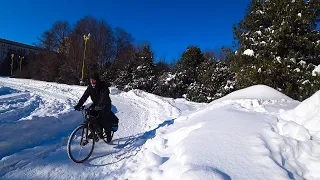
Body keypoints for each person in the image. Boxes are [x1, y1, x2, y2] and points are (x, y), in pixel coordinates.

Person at [74, 72, 119, 143]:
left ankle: (108, 133)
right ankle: (94, 131)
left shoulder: (103, 86)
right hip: (96, 104)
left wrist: (100, 106)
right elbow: (84, 96)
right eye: (91, 80)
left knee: (103, 118)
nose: (92, 82)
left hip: (105, 105)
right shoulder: (90, 87)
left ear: (97, 80)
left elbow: (104, 97)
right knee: (90, 115)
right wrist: (79, 105)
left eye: (94, 80)